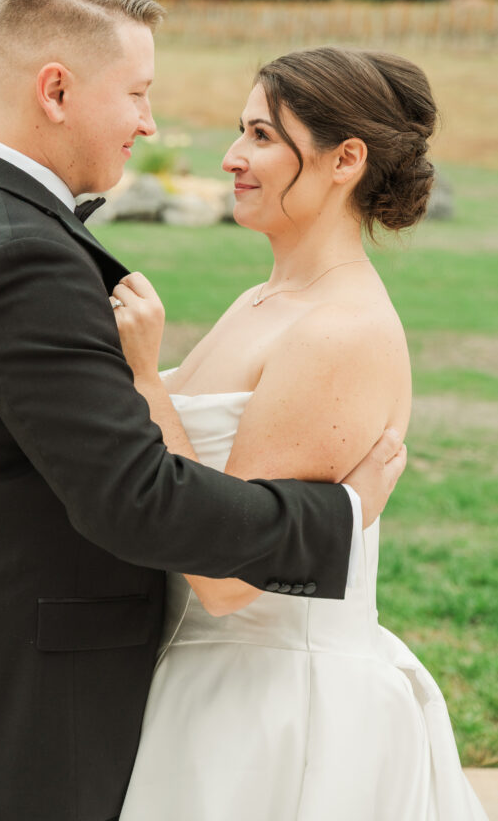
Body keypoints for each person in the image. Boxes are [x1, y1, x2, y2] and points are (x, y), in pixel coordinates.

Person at [0, 0, 403, 821]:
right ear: (56, 90)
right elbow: (137, 498)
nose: (150, 124)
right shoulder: (22, 252)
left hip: (58, 699)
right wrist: (338, 516)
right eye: (138, 93)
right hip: (24, 727)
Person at [109, 46, 488, 821]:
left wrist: (147, 379)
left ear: (344, 159)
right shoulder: (261, 300)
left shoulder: (339, 331)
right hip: (202, 687)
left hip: (278, 719)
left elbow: (228, 579)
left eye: (259, 135)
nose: (231, 157)